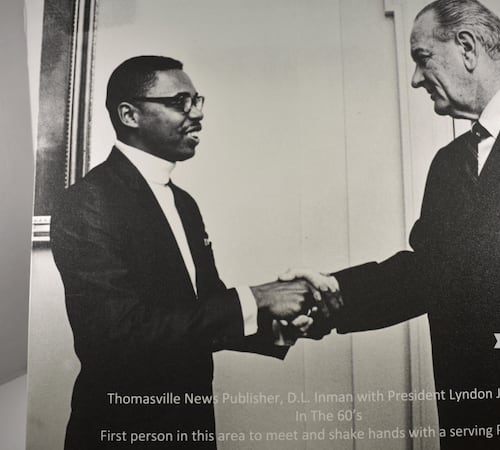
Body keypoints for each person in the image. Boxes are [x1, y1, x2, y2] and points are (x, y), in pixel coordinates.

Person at [284, 1, 500, 448]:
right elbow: (427, 274)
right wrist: (331, 295)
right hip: (470, 427)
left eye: (422, 58)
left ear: (467, 47)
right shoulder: (448, 164)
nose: (415, 79)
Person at [51, 55, 313, 449]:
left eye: (198, 101)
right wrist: (257, 298)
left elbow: (202, 309)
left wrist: (276, 320)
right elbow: (117, 336)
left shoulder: (184, 203)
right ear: (129, 114)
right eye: (180, 102)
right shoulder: (87, 202)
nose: (197, 115)